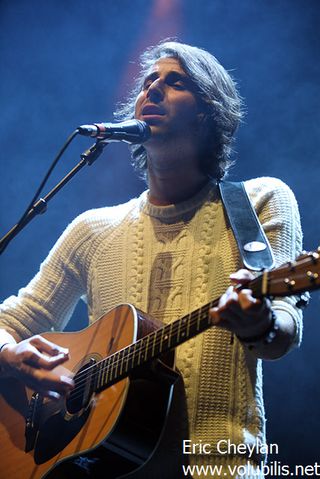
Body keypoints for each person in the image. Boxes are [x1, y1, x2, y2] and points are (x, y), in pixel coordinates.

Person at [0, 41, 303, 479]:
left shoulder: (259, 201)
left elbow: (283, 333)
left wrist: (259, 323)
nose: (153, 89)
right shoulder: (93, 229)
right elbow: (12, 318)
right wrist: (8, 355)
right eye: (148, 82)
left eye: (175, 82)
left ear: (208, 112)